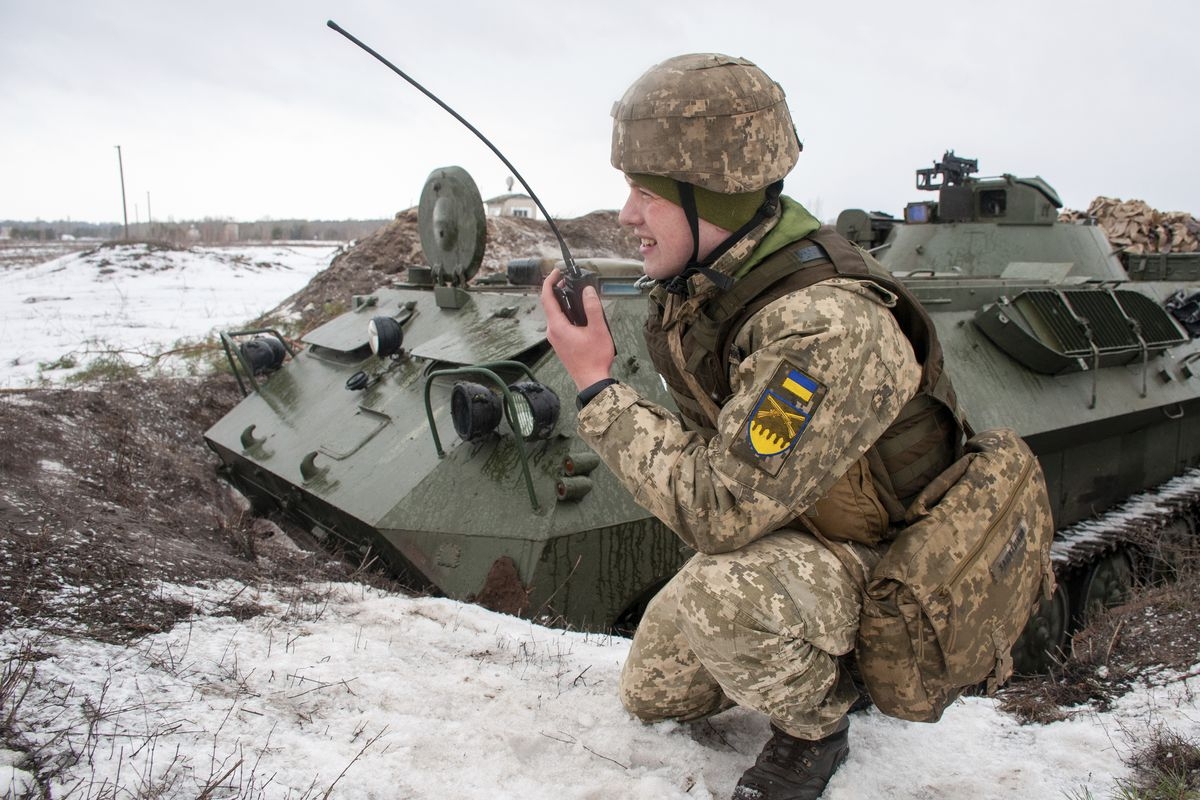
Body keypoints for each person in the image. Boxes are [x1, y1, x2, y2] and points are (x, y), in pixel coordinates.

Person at [540, 53, 958, 800]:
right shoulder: (715, 283)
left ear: (714, 198)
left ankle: (818, 726)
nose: (627, 215)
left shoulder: (825, 325)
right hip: (803, 520)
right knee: (654, 691)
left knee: (722, 599)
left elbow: (718, 510)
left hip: (890, 556)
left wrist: (595, 384)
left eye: (646, 193)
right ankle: (799, 637)